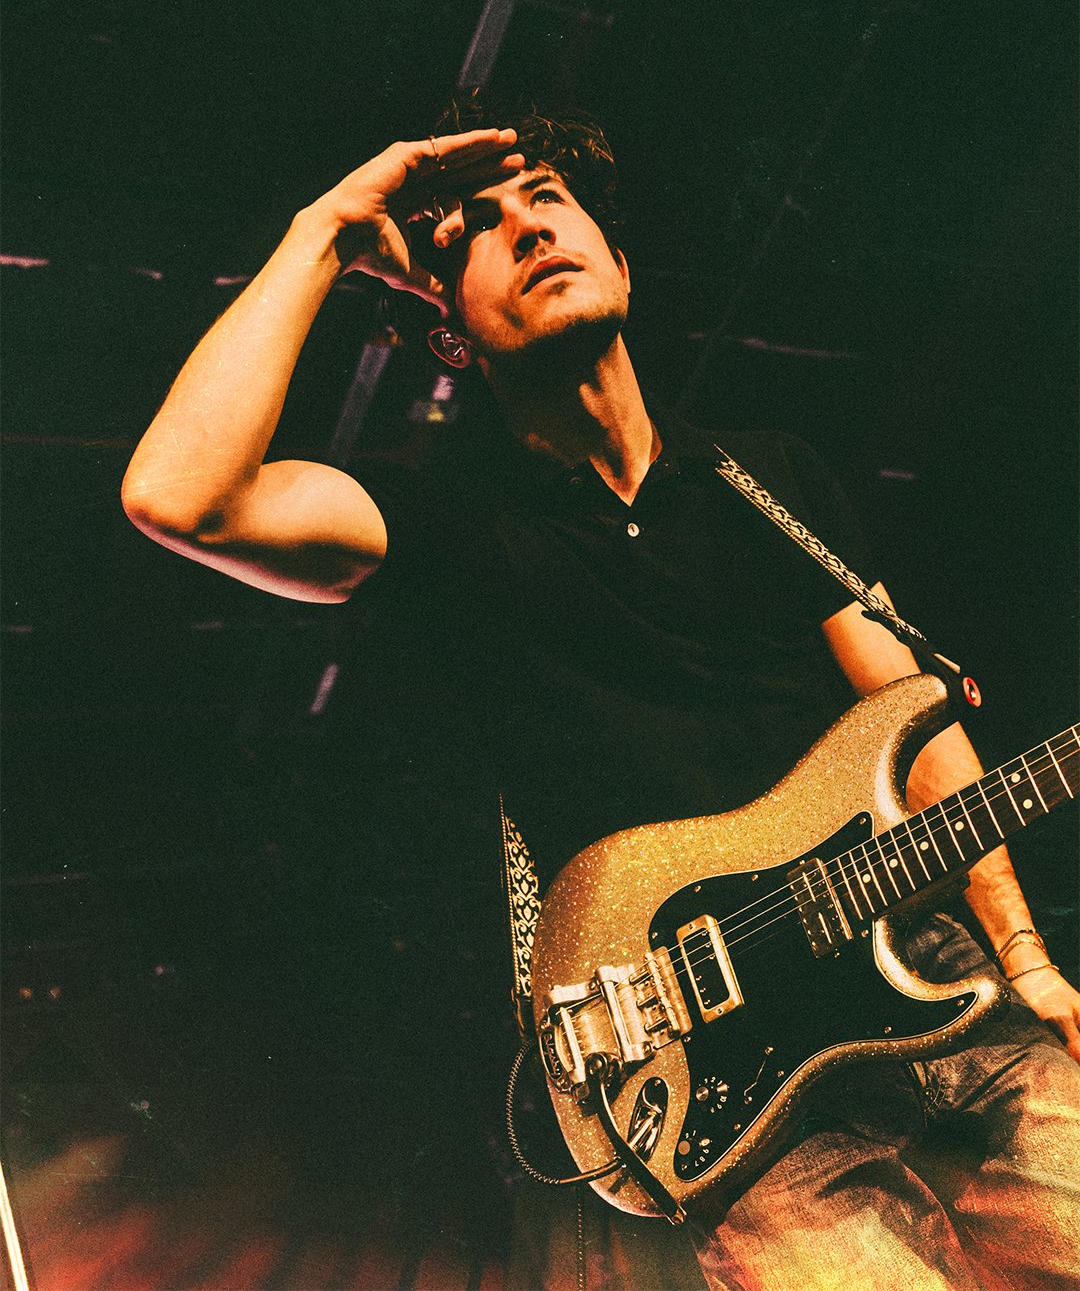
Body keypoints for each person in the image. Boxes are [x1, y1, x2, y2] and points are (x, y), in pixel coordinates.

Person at [122, 105, 1080, 1289]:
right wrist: (327, 230)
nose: (529, 230)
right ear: (448, 331)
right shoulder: (444, 526)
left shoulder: (769, 478)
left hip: (931, 977)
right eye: (483, 228)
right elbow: (180, 497)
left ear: (621, 266)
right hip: (725, 1085)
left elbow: (917, 725)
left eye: (549, 202)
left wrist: (1024, 952)